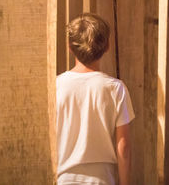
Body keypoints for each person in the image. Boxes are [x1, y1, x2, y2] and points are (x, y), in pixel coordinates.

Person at [56, 13, 135, 185]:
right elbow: (124, 147)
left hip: (63, 179)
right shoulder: (115, 88)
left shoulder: (55, 86)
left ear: (70, 46)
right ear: (107, 46)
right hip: (103, 179)